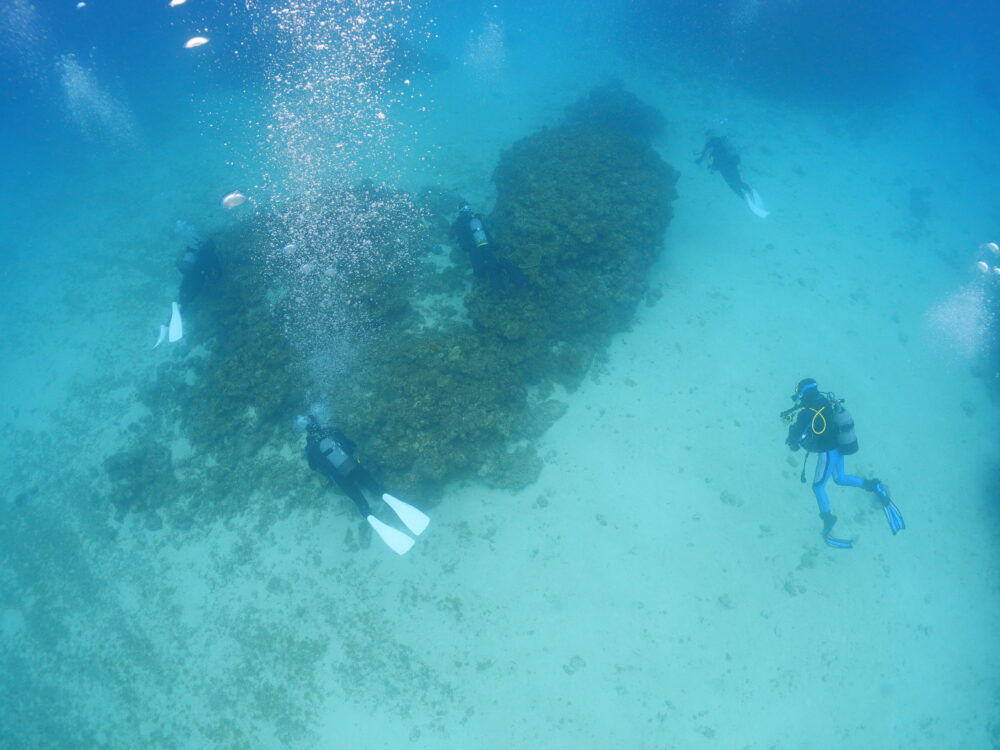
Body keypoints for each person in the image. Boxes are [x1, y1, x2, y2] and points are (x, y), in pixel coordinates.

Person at [781, 378, 905, 548]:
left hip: (828, 452)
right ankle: (875, 485)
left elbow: (796, 441)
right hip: (838, 447)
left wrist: (791, 435)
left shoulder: (806, 412)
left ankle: (828, 520)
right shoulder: (824, 402)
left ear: (803, 393)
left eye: (798, 392)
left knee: (818, 487)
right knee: (840, 478)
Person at [296, 413, 429, 555]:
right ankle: (385, 496)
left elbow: (313, 467)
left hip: (340, 478)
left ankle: (370, 517)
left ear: (306, 431)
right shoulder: (332, 430)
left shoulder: (309, 448)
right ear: (318, 422)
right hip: (353, 466)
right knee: (375, 488)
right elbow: (351, 445)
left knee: (359, 500)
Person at [154, 238, 223, 347]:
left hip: (187, 278)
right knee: (186, 303)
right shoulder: (212, 256)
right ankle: (170, 322)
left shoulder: (196, 252)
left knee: (182, 299)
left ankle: (167, 323)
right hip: (198, 281)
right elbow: (219, 272)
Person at [450, 201, 525, 288]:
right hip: (486, 245)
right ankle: (514, 275)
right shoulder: (476, 218)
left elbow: (453, 237)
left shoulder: (458, 223)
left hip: (473, 249)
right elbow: (486, 232)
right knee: (494, 265)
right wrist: (493, 244)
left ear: (459, 211)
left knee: (479, 272)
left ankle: (496, 286)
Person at [696, 132, 769, 218]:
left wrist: (699, 161)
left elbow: (705, 155)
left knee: (733, 186)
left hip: (724, 168)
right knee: (739, 182)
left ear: (708, 137)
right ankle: (751, 190)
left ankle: (745, 197)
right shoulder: (723, 141)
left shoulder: (710, 144)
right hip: (733, 164)